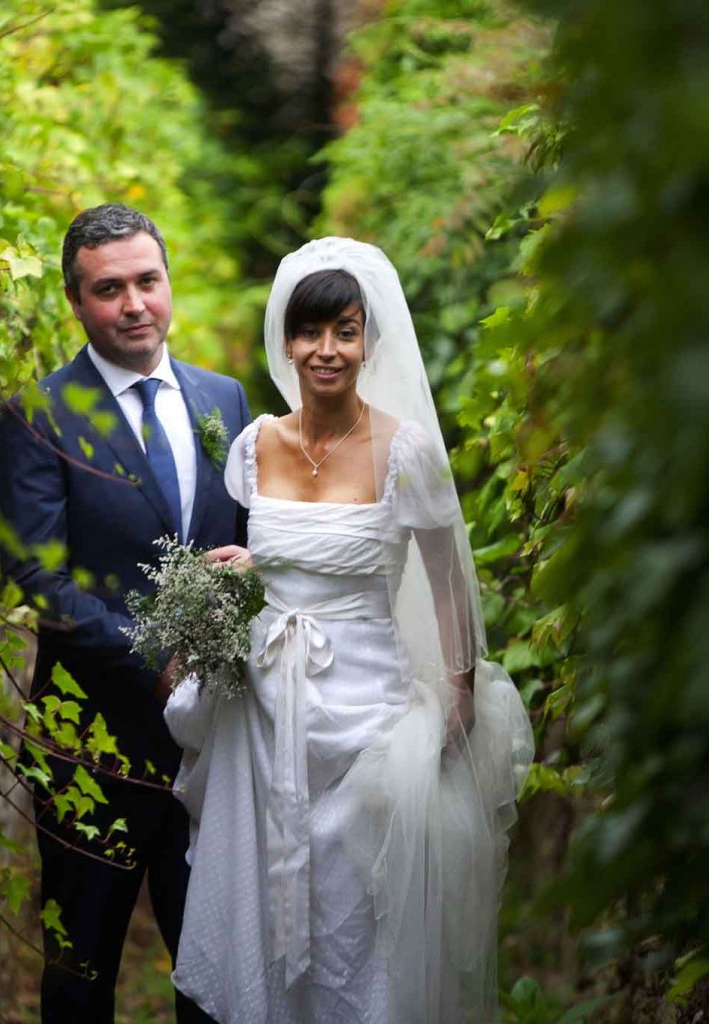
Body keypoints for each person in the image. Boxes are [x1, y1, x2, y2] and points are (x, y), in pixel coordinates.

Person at [164, 237, 534, 1023]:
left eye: (345, 331)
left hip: (367, 707)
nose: (325, 351)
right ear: (286, 341)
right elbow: (279, 557)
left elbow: (446, 582)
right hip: (262, 708)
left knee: (358, 902)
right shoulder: (257, 442)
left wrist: (460, 688)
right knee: (261, 890)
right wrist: (245, 571)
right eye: (309, 332)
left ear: (369, 342)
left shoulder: (408, 450)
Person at [0, 203, 251, 1023]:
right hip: (88, 746)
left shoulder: (226, 399)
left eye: (148, 280)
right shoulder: (38, 414)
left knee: (217, 965)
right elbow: (34, 573)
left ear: (169, 282)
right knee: (81, 972)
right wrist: (152, 653)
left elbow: (249, 535)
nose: (135, 303)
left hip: (218, 740)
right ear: (77, 301)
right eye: (110, 289)